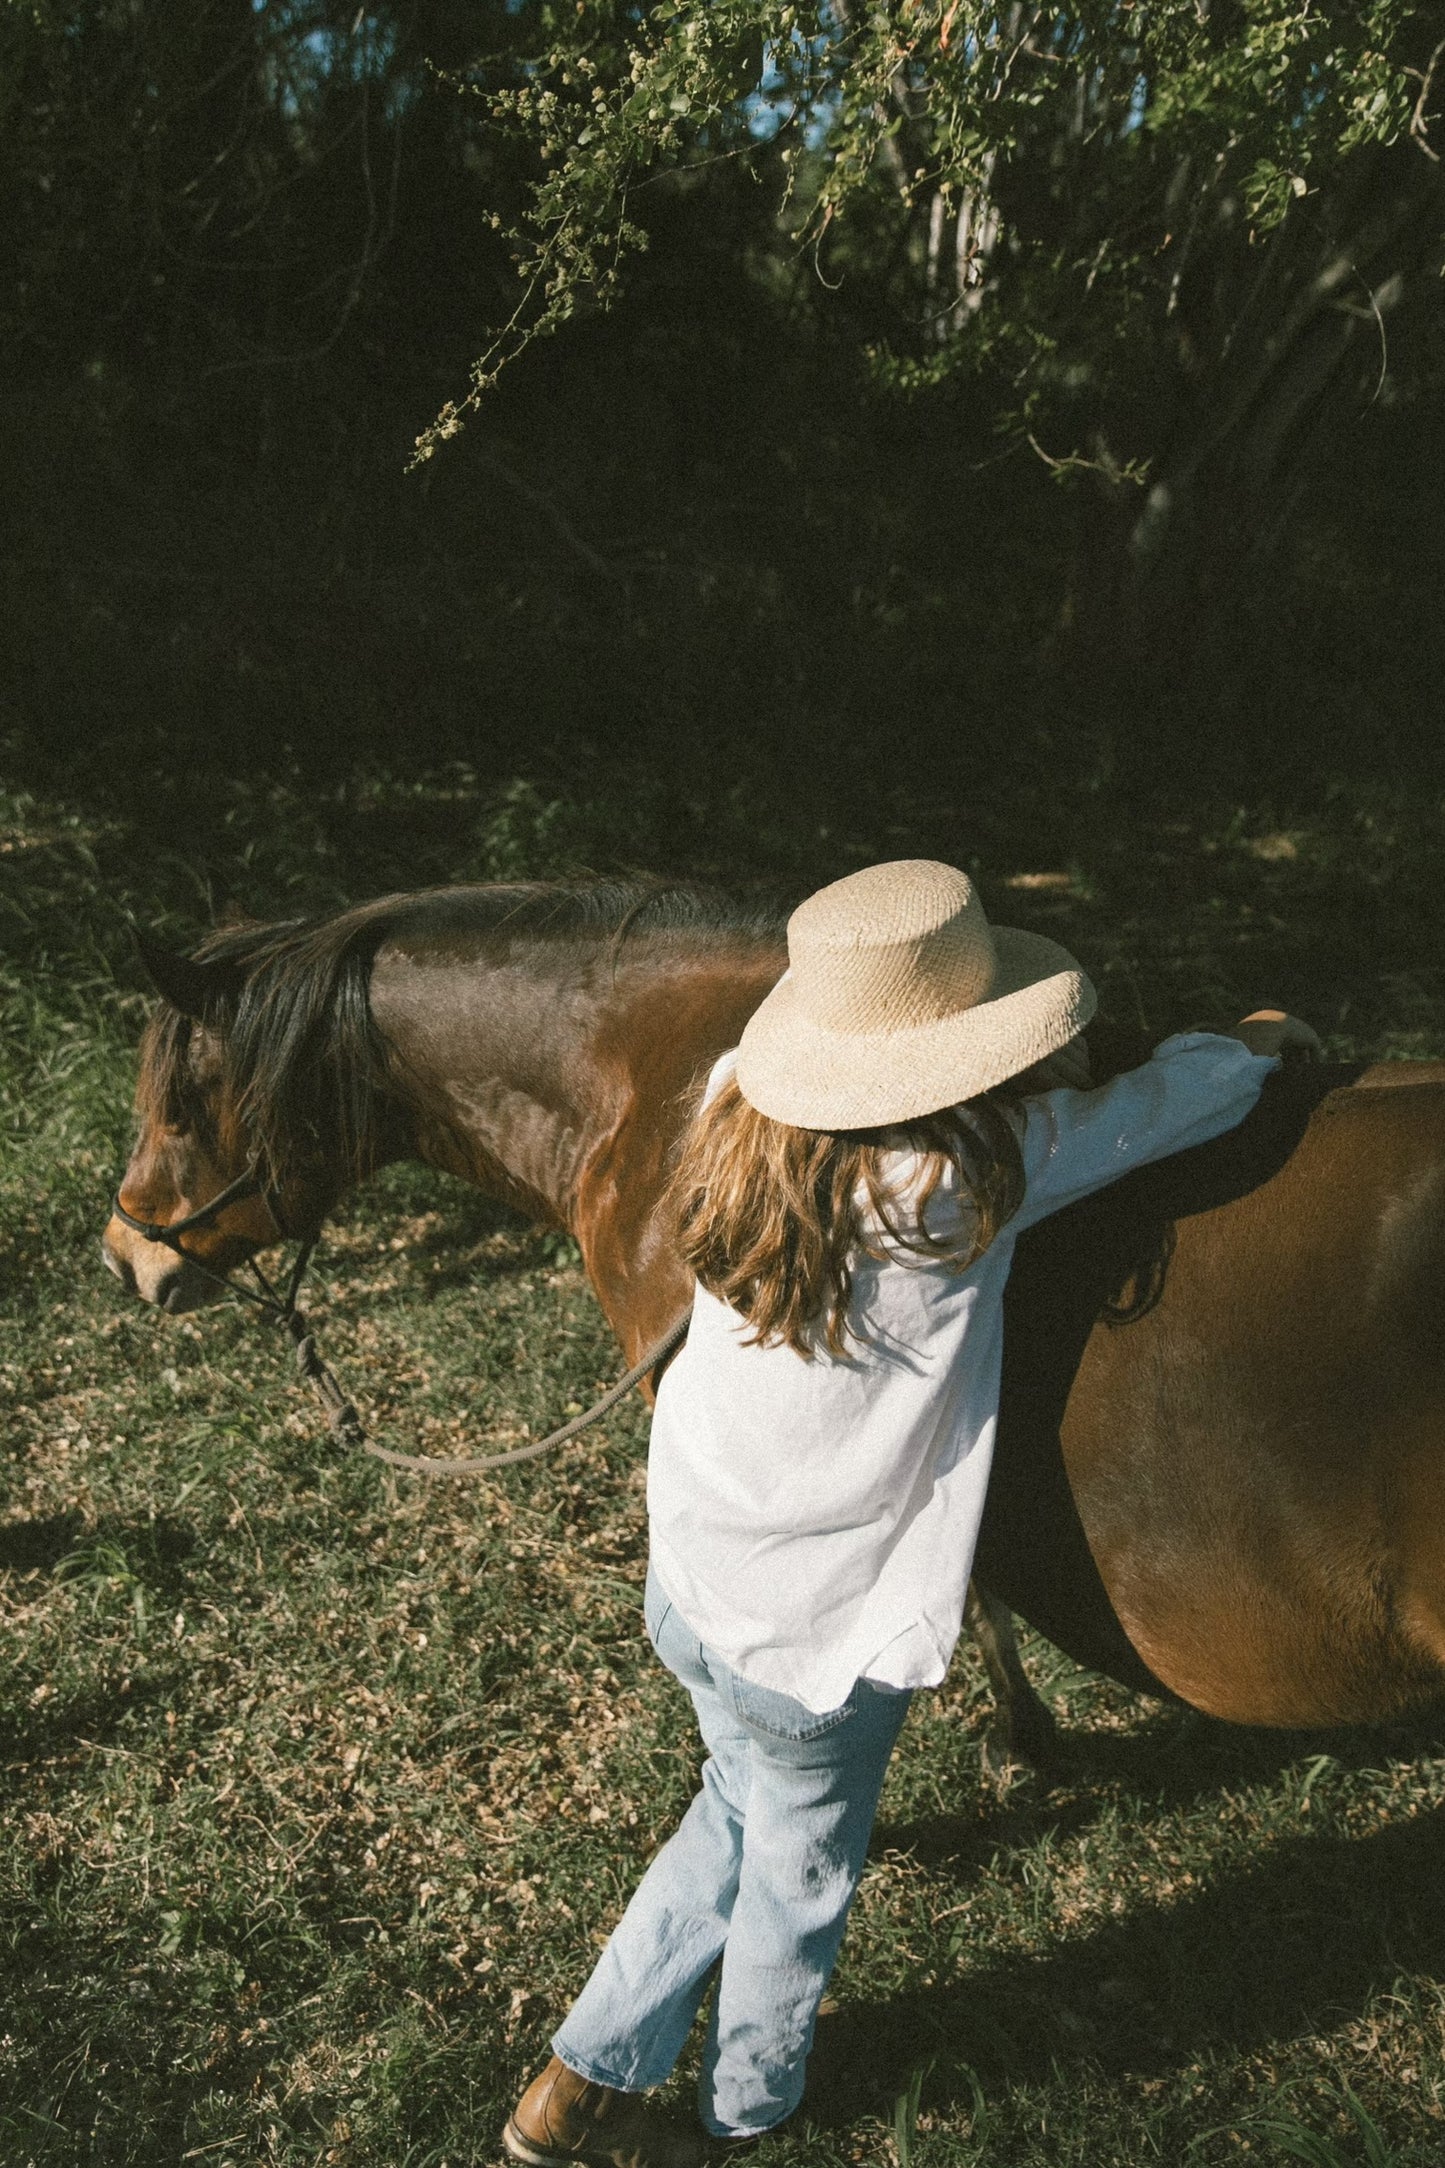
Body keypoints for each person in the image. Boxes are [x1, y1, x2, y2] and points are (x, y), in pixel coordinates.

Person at [502, 859, 1318, 2167]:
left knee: (730, 1800)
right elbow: (1166, 1104)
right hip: (811, 1635)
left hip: (696, 1574)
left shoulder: (726, 1114)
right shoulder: (952, 1187)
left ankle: (580, 2081)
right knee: (799, 1878)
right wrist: (1255, 1048)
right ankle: (748, 2110)